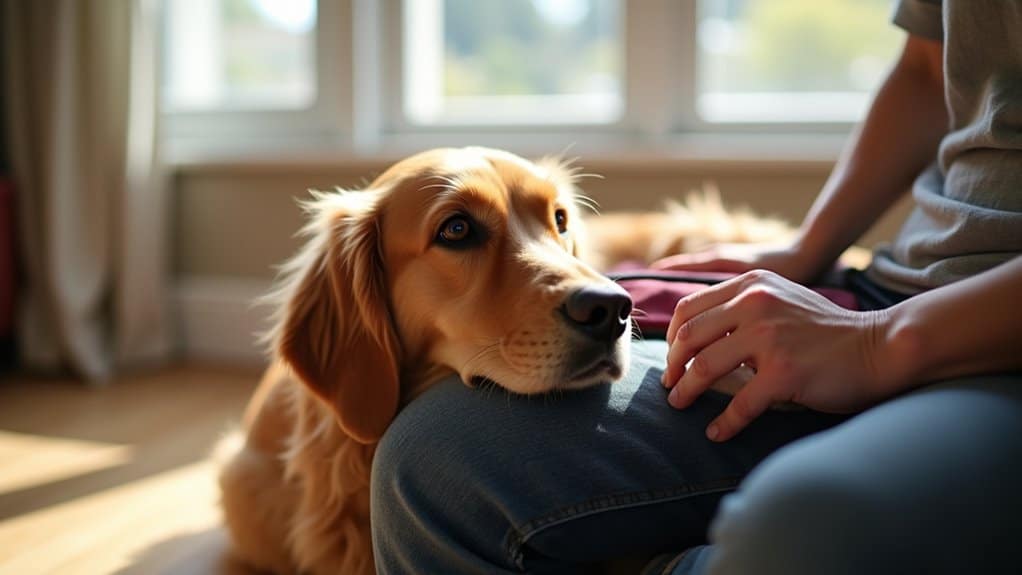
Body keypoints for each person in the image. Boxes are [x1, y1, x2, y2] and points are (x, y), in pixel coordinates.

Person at [370, 1, 1022, 573]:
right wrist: (806, 250)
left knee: (804, 525)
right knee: (430, 467)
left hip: (991, 352)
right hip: (889, 286)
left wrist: (882, 342)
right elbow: (927, 67)